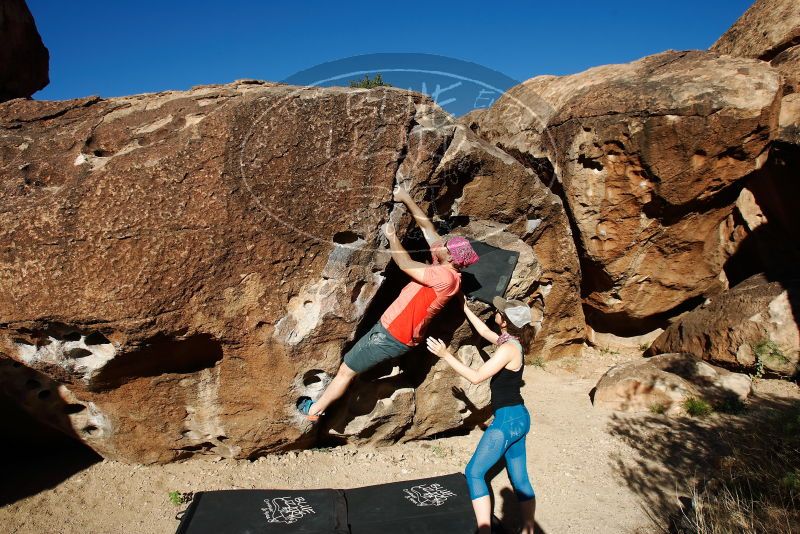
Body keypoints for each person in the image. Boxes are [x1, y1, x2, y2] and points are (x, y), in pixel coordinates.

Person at [297, 185, 479, 421]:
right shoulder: (446, 266)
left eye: (447, 247)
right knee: (351, 369)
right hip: (395, 332)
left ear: (452, 258)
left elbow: (404, 264)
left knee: (345, 371)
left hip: (391, 335)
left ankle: (314, 411)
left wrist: (392, 236)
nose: (443, 245)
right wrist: (405, 198)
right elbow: (427, 228)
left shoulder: (444, 277)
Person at [426, 296, 542, 534]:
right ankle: (529, 526)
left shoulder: (508, 349)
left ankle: (484, 529)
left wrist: (445, 354)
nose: (495, 313)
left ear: (504, 321)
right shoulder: (513, 341)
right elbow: (482, 329)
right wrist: (465, 308)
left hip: (508, 420)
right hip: (519, 418)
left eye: (499, 312)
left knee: (474, 473)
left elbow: (477, 376)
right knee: (519, 478)